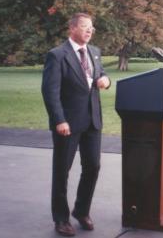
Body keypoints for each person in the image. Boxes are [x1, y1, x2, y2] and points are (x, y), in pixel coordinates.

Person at [42, 13, 111, 237]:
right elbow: (50, 92)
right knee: (62, 171)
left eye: (91, 27)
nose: (89, 31)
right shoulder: (57, 55)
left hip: (92, 122)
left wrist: (106, 81)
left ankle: (81, 211)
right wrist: (59, 120)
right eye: (84, 26)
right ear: (71, 28)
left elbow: (101, 76)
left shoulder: (95, 52)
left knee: (93, 166)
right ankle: (61, 219)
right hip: (68, 124)